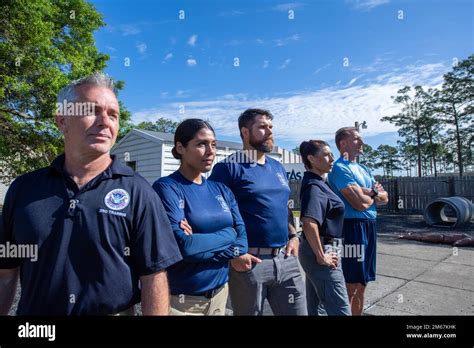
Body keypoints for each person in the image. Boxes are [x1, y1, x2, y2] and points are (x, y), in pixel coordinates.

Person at [0, 73, 182, 315]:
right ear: (62, 120)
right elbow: (6, 272)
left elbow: (154, 277)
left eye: (113, 115)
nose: (105, 122)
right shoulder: (24, 189)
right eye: (92, 111)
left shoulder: (139, 192)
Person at [210, 108, 307, 315]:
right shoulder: (227, 168)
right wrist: (234, 253)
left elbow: (283, 207)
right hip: (250, 264)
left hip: (286, 259)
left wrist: (294, 235)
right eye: (262, 127)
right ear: (245, 132)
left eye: (271, 127)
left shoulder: (277, 167)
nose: (270, 132)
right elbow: (214, 216)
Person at [153, 119, 247, 316]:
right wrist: (228, 234)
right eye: (201, 144)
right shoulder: (167, 188)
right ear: (180, 147)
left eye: (213, 144)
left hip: (220, 295)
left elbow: (243, 243)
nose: (211, 151)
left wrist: (200, 242)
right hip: (182, 302)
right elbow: (184, 247)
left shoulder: (221, 189)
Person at [328, 127, 388, 315]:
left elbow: (385, 198)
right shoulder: (339, 168)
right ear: (343, 144)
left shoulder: (363, 168)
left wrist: (370, 192)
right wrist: (373, 193)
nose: (362, 143)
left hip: (369, 227)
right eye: (356, 139)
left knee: (363, 282)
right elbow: (359, 204)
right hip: (351, 228)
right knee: (351, 283)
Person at [298, 140, 351, 316]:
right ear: (311, 158)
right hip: (323, 251)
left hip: (320, 249)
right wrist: (321, 256)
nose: (332, 159)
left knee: (317, 308)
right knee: (340, 309)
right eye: (327, 154)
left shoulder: (319, 183)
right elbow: (308, 222)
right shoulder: (314, 187)